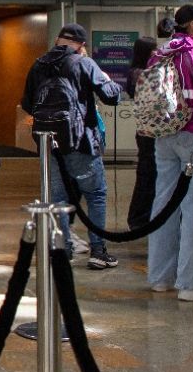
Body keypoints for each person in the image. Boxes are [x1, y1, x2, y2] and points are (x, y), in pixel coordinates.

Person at [22, 23, 123, 269]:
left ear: (58, 40)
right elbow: (112, 95)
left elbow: (27, 104)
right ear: (82, 45)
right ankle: (98, 251)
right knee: (95, 194)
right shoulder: (82, 63)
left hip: (49, 144)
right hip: (81, 142)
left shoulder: (38, 64)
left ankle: (62, 249)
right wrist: (107, 79)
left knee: (57, 198)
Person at [146, 4, 193, 301]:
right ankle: (190, 284)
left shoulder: (160, 53)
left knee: (163, 203)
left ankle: (159, 277)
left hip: (163, 135)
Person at [125, 37, 158, 230]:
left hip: (146, 128)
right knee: (147, 173)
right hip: (148, 130)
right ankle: (139, 217)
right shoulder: (140, 73)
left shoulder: (135, 72)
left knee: (148, 173)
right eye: (153, 50)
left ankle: (142, 215)